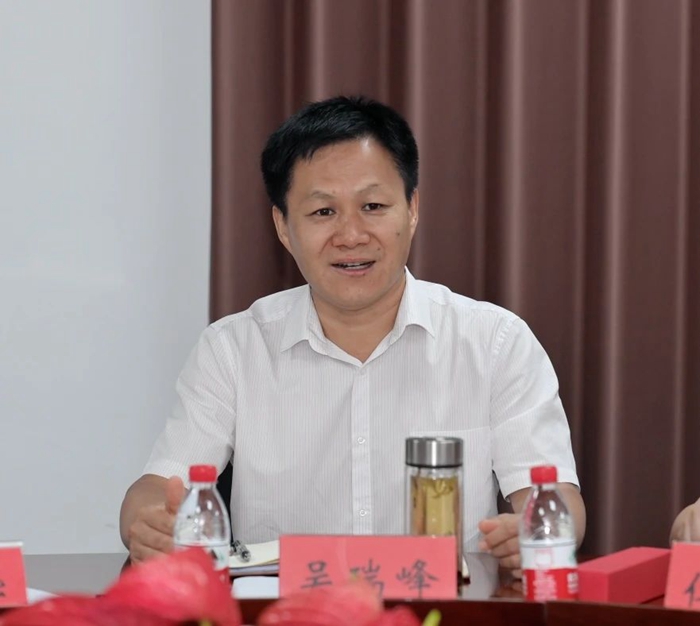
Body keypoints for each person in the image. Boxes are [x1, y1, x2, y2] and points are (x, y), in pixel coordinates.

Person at [120, 95, 586, 572]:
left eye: (373, 206)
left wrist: (537, 530)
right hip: (283, 607)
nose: (351, 235)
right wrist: (150, 523)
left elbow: (556, 500)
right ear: (283, 226)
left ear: (412, 209)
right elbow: (155, 488)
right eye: (324, 212)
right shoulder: (233, 350)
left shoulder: (495, 343)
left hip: (443, 605)